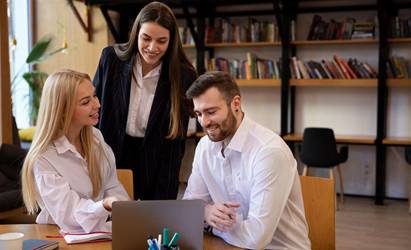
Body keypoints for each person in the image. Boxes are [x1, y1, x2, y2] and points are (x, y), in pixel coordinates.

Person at [183, 71, 311, 249]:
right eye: (198, 114)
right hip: (229, 246)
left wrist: (210, 226)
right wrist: (206, 211)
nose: (204, 122)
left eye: (211, 112)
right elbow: (188, 206)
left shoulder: (269, 152)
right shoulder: (204, 147)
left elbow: (256, 238)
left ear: (236, 104)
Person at [93, 1, 197, 200]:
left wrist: (166, 195)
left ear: (171, 40)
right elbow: (94, 110)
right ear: (136, 34)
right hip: (110, 153)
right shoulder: (111, 59)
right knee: (108, 221)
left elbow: (176, 144)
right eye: (146, 38)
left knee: (149, 224)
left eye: (161, 41)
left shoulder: (183, 75)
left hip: (156, 159)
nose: (152, 47)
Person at [21, 70, 129, 233]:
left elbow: (112, 187)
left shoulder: (95, 137)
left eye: (94, 96)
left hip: (96, 234)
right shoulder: (44, 158)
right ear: (62, 110)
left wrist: (129, 215)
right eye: (86, 102)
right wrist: (105, 205)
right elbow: (70, 217)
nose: (97, 104)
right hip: (59, 236)